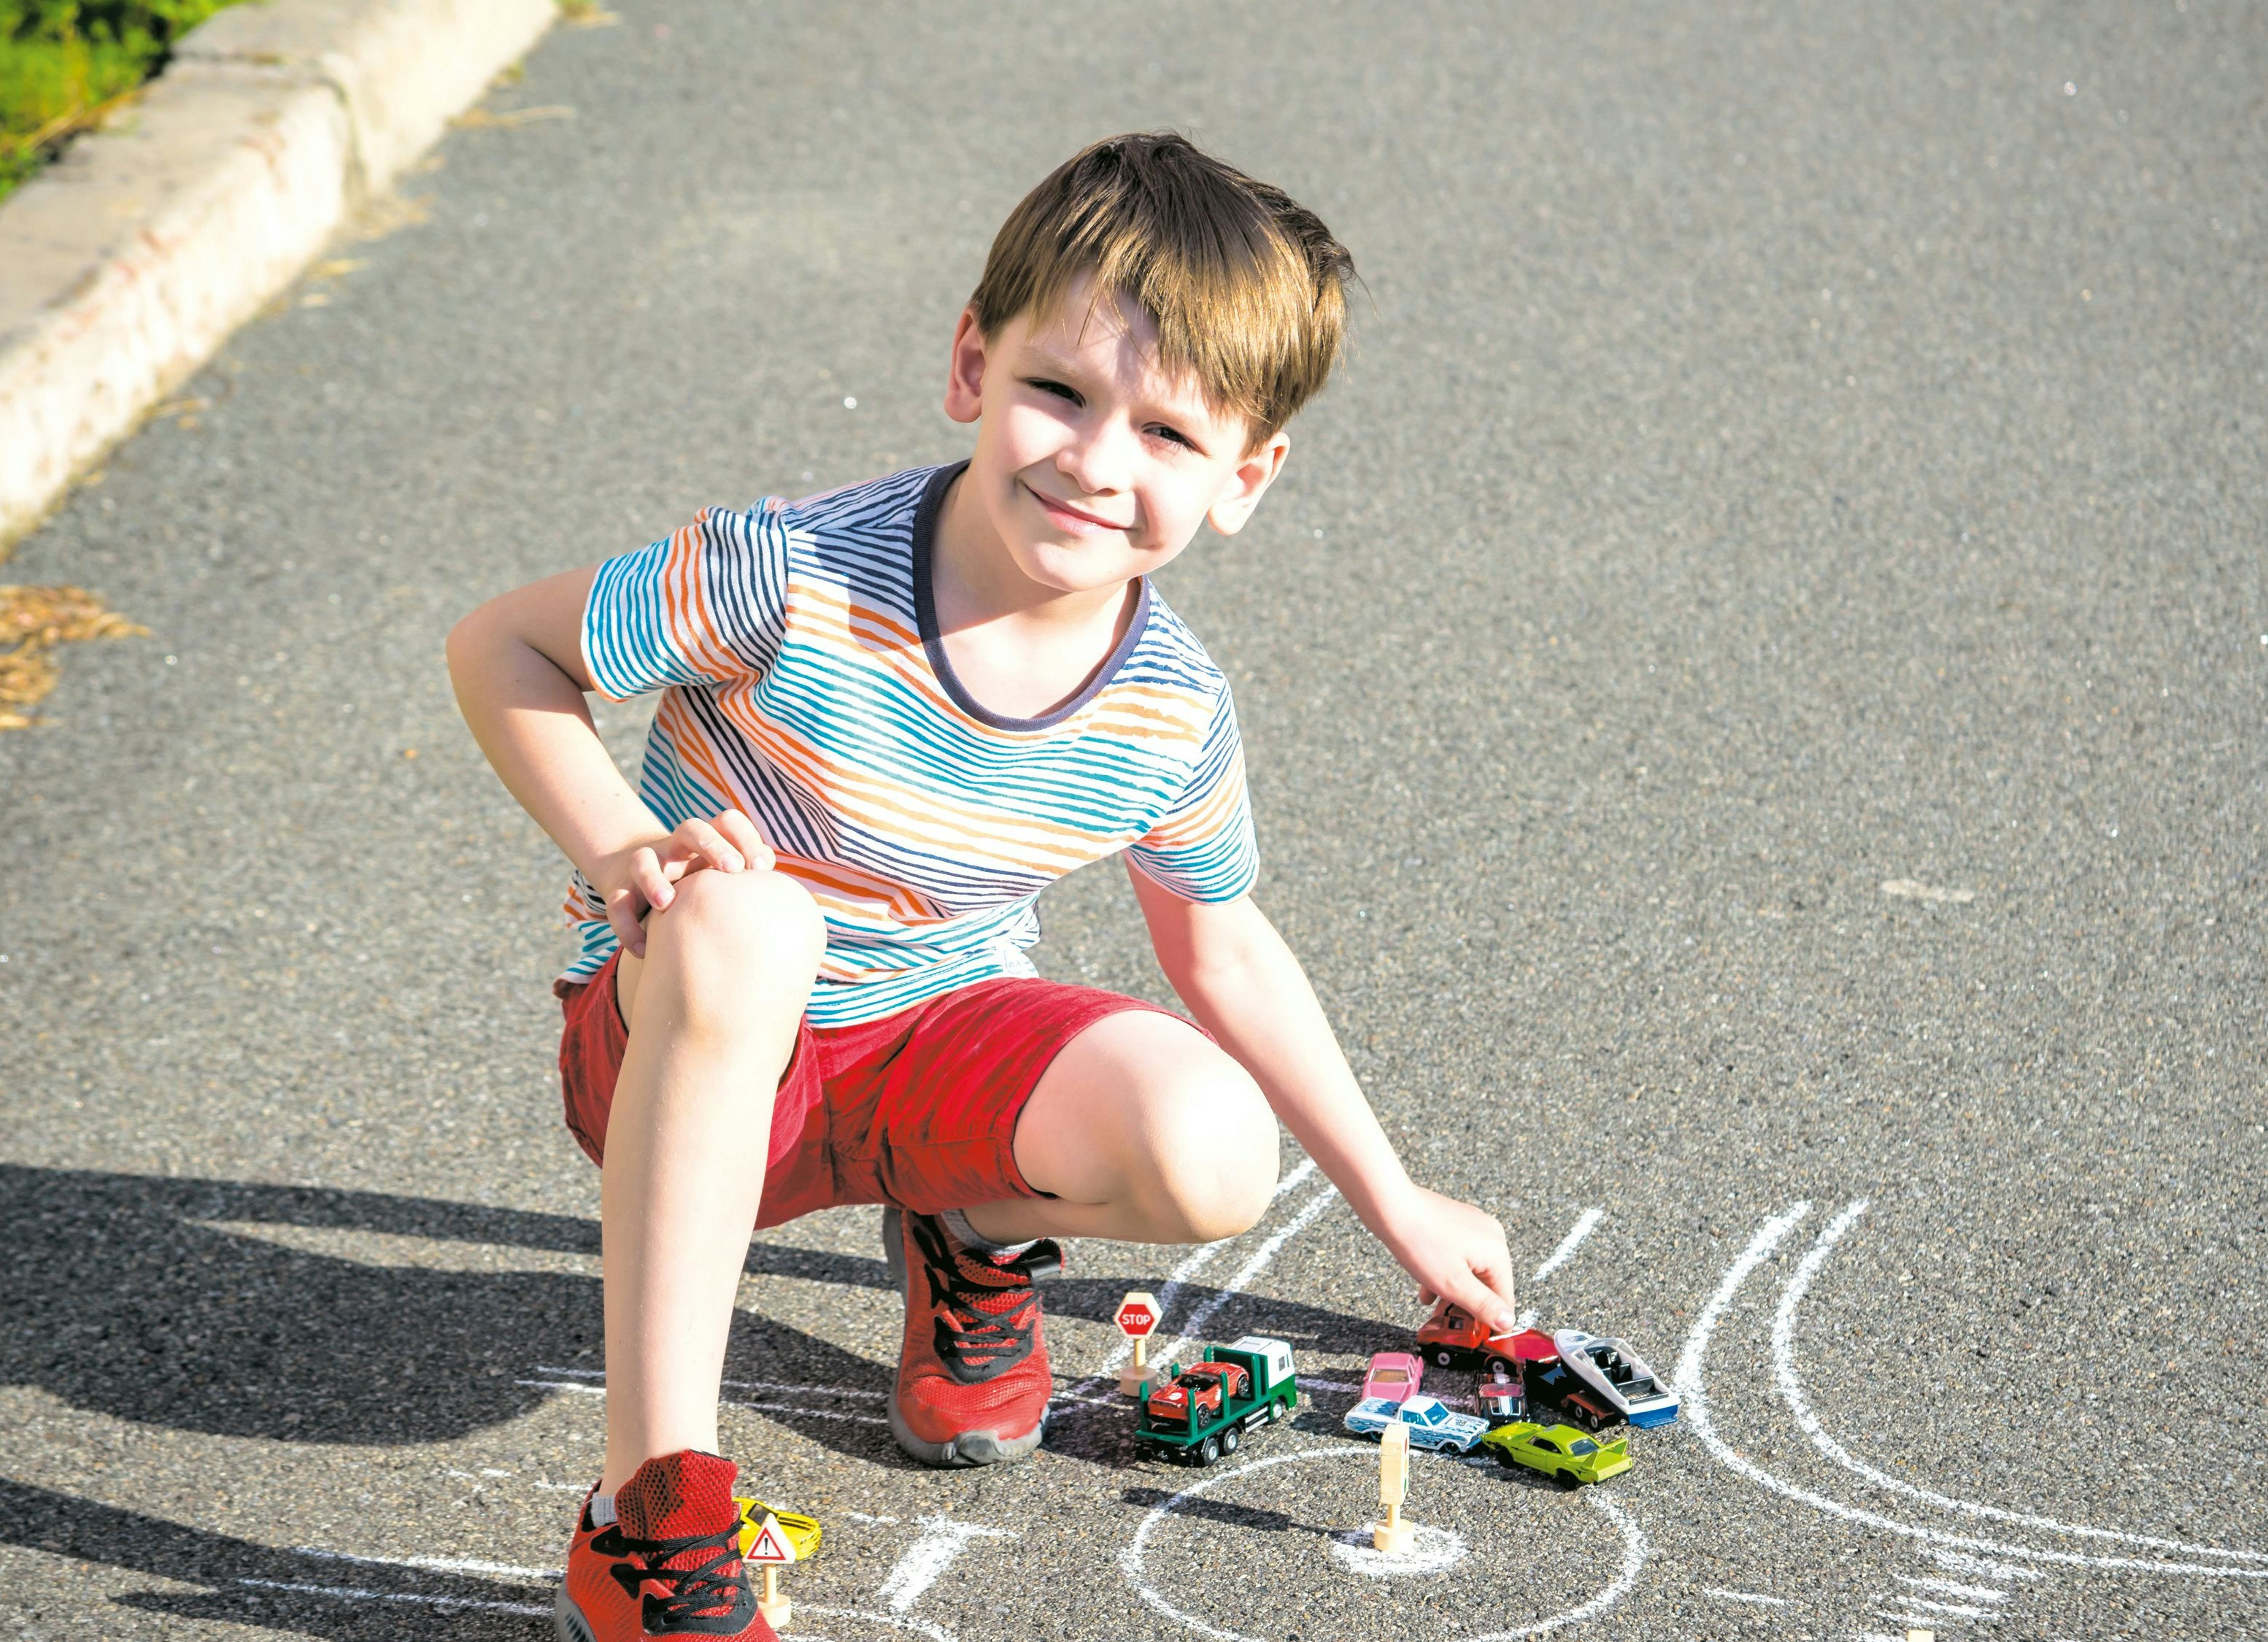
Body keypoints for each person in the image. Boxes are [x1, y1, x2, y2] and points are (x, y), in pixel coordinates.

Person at [447, 131, 1517, 1642]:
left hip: (925, 1043)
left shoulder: (1167, 711)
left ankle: (960, 1227)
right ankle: (648, 1510)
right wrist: (625, 849)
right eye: (1058, 392)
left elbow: (1219, 948)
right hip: (682, 1053)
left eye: (1166, 433)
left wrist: (1395, 1202)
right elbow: (503, 648)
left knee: (1212, 1151)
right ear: (969, 365)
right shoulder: (791, 571)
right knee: (754, 923)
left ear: (1245, 478)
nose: (1093, 461)